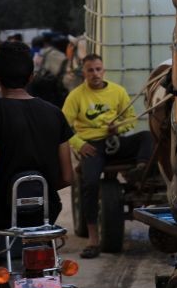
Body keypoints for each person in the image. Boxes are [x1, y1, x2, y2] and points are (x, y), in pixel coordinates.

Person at [62, 53, 153, 259]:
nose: (95, 74)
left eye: (98, 69)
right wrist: (80, 144)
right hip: (92, 146)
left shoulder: (118, 91)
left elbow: (131, 118)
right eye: (90, 70)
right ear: (84, 72)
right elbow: (63, 125)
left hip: (115, 140)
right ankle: (93, 240)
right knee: (91, 184)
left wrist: (119, 127)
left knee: (146, 136)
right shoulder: (76, 96)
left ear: (103, 70)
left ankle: (140, 169)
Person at [0, 42, 73, 232]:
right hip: (44, 216)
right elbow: (67, 177)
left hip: (0, 219)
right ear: (31, 77)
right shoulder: (55, 114)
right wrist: (38, 194)